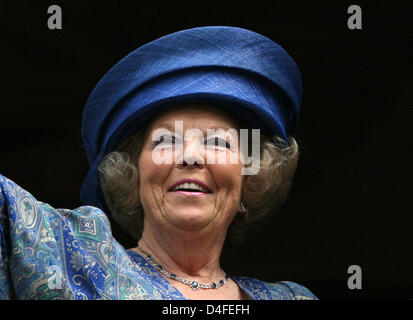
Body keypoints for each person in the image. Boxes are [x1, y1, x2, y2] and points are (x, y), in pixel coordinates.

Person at [0, 26, 317, 300]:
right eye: (167, 141)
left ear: (250, 178)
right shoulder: (77, 260)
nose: (191, 156)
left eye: (218, 142)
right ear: (132, 175)